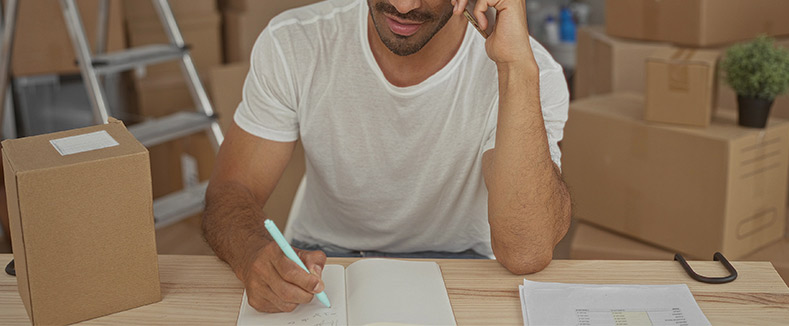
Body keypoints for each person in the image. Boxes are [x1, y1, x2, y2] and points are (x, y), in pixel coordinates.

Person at [202, 0, 571, 313]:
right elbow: (231, 191)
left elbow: (526, 251)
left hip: (461, 262)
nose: (404, 5)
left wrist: (514, 69)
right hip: (322, 262)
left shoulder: (528, 71)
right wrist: (252, 252)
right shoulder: (295, 41)